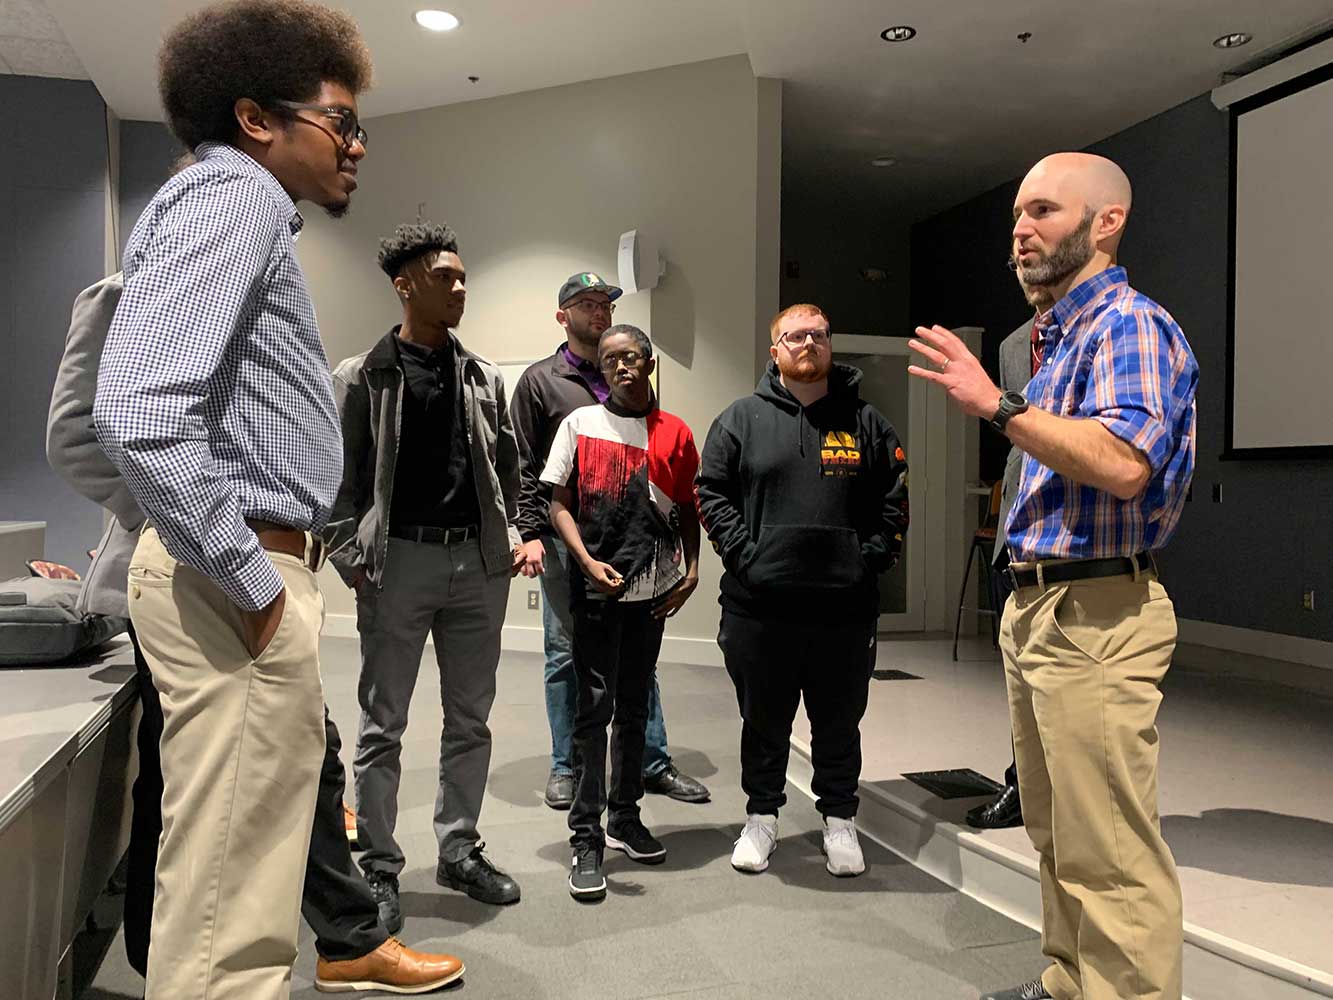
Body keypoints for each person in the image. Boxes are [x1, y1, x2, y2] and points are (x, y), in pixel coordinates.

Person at [52, 271, 462, 995]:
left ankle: (332, 938)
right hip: (191, 573)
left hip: (253, 571)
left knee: (278, 755)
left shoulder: (253, 299)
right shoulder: (130, 290)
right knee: (217, 772)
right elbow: (79, 436)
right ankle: (306, 941)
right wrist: (177, 522)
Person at [92, 3, 379, 995]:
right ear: (257, 118)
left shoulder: (224, 204)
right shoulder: (236, 198)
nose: (356, 145)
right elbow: (140, 410)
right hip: (233, 579)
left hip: (236, 570)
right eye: (340, 121)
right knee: (230, 919)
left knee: (232, 890)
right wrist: (254, 581)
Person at [908, 152, 1197, 1000]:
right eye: (1014, 220)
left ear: (1105, 222)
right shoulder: (1063, 339)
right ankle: (1070, 983)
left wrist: (999, 405)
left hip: (1096, 609)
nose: (1019, 234)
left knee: (1107, 844)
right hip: (1040, 606)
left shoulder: (1128, 327)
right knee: (1056, 829)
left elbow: (1122, 463)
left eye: (1041, 212)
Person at [326, 222, 525, 929]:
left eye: (465, 277)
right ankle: (378, 868)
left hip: (476, 564)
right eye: (448, 277)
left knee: (470, 719)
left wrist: (512, 539)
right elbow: (334, 483)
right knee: (384, 724)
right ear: (405, 284)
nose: (462, 289)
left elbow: (508, 472)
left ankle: (459, 849)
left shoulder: (483, 377)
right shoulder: (361, 374)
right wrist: (354, 562)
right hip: (397, 563)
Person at [696, 303, 909, 878]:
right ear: (775, 351)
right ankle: (761, 817)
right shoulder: (740, 420)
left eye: (818, 334)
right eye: (795, 336)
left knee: (839, 721)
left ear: (830, 345)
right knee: (763, 719)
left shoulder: (868, 423)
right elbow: (710, 493)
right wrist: (747, 557)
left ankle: (839, 820)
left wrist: (865, 565)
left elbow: (894, 502)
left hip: (843, 612)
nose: (808, 344)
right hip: (759, 609)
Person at [511, 272, 709, 810]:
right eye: (586, 303)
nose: (599, 311)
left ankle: (650, 760)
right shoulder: (541, 382)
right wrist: (531, 533)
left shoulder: (629, 371)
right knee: (563, 651)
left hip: (638, 542)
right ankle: (567, 766)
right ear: (563, 316)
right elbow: (529, 470)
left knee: (637, 658)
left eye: (606, 303)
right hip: (565, 542)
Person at [539, 324, 702, 900]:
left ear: (650, 361)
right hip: (598, 591)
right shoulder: (579, 426)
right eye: (610, 361)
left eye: (631, 357)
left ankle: (625, 816)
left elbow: (686, 506)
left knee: (635, 706)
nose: (622, 368)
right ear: (601, 371)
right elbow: (556, 501)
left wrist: (693, 569)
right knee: (593, 711)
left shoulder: (676, 433)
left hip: (651, 591)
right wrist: (582, 560)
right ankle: (585, 836)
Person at [966, 267, 1055, 832]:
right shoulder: (1011, 346)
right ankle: (1021, 785)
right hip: (1015, 533)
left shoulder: (1110, 332)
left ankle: (1062, 795)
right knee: (1018, 677)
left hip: (1076, 535)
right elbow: (1015, 439)